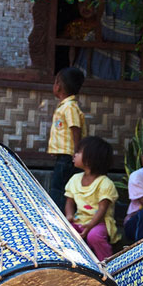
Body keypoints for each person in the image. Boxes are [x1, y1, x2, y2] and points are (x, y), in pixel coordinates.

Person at [64, 136, 119, 259]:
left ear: (89, 159)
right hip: (79, 221)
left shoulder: (105, 183)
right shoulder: (75, 179)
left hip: (100, 223)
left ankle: (107, 263)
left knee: (94, 236)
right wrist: (69, 216)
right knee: (65, 234)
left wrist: (90, 225)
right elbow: (69, 202)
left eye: (78, 152)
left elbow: (102, 209)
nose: (74, 155)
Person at [47, 66, 87, 211]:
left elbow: (75, 129)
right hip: (64, 155)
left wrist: (76, 151)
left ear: (59, 86)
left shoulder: (69, 107)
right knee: (60, 186)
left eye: (55, 82)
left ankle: (58, 215)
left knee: (59, 188)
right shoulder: (65, 106)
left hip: (68, 156)